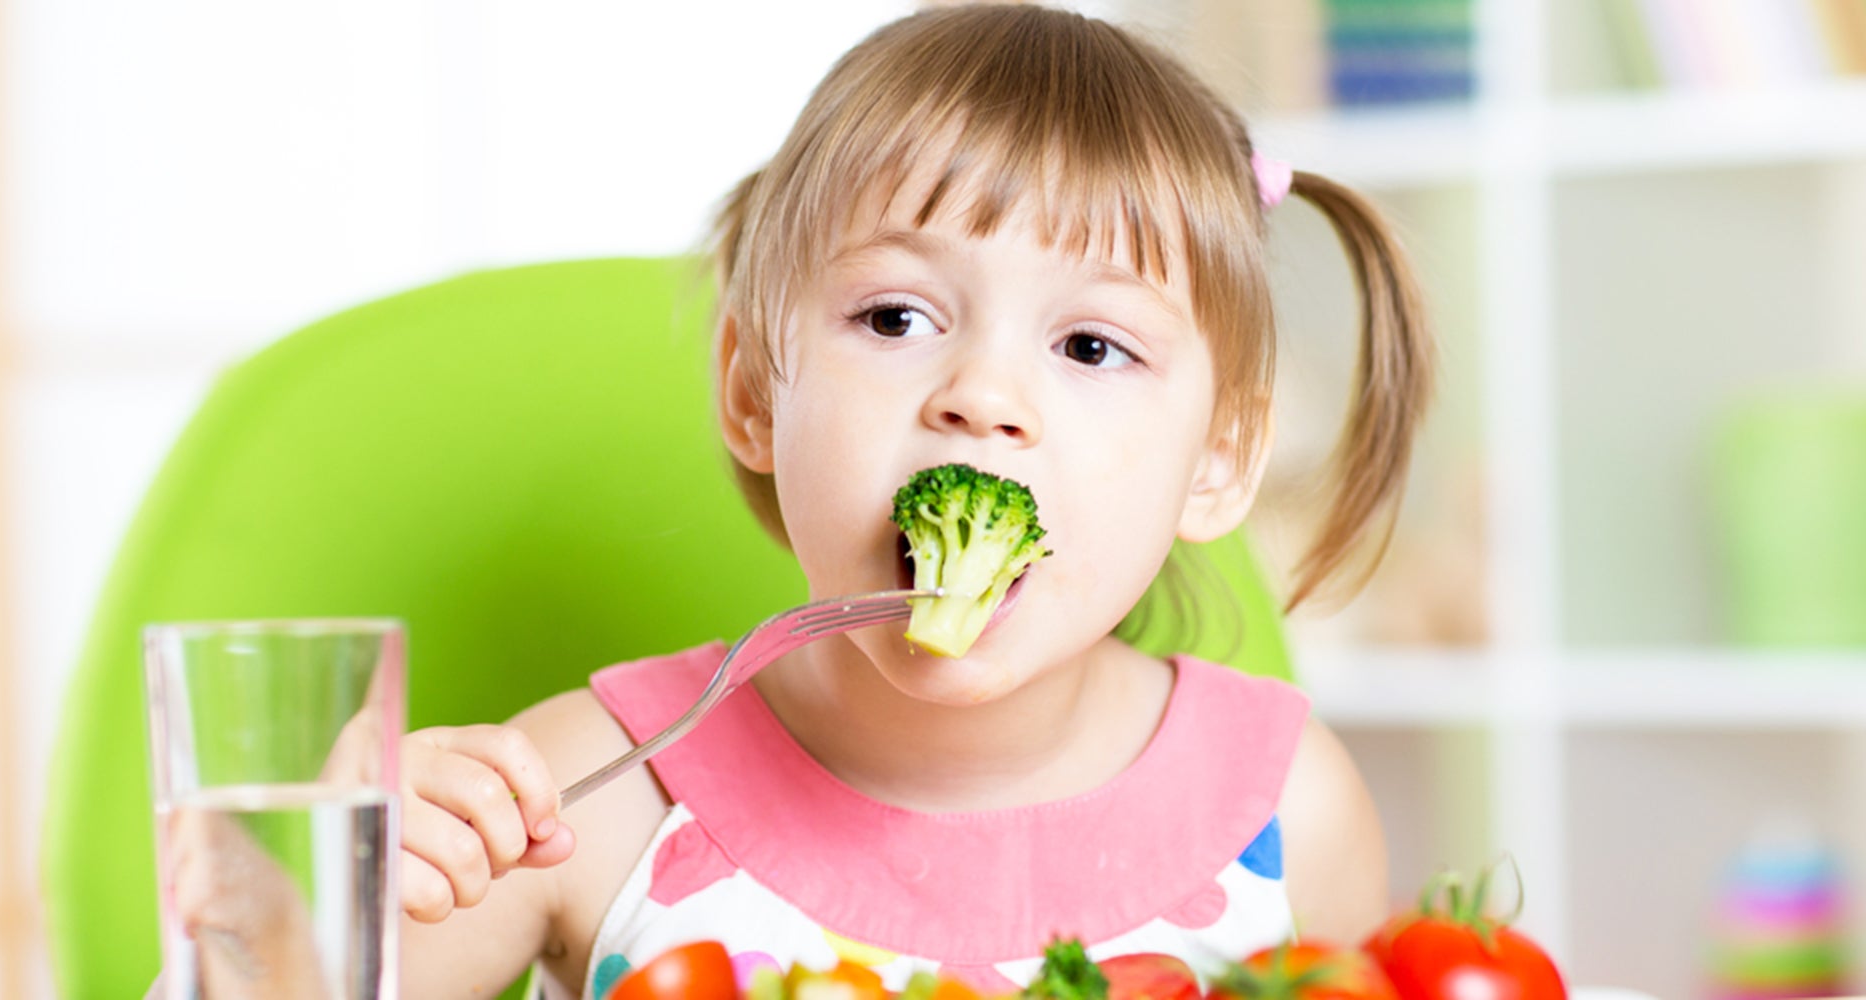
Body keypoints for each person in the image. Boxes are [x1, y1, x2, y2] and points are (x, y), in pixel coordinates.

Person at [398, 5, 1432, 998]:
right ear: (755, 390)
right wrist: (349, 861)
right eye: (895, 317)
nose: (981, 397)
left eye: (1089, 346)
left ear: (1216, 458)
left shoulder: (1291, 809)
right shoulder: (592, 792)